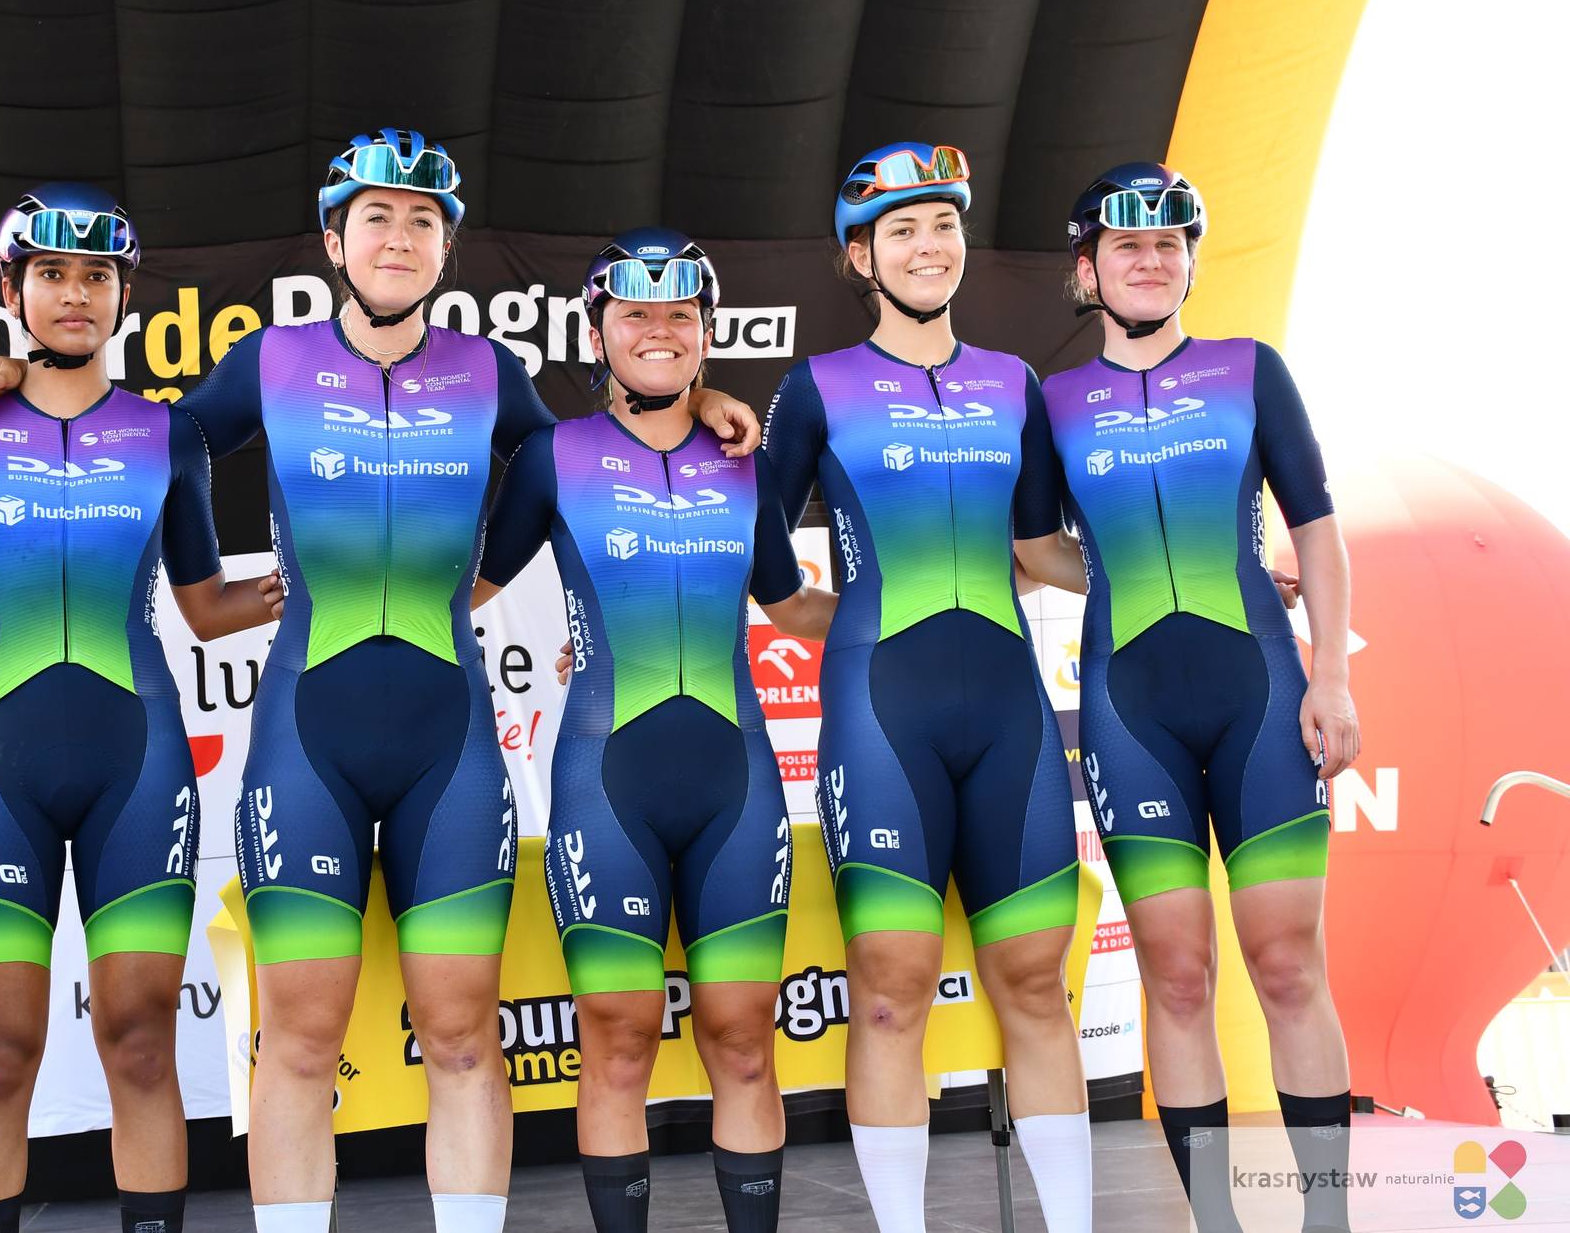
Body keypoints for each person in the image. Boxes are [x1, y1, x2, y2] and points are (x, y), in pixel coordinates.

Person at [0, 129, 764, 1233]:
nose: (398, 237)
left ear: (446, 249)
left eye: (422, 220)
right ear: (334, 241)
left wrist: (702, 400)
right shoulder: (270, 361)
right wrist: (17, 377)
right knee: (298, 1042)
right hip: (306, 744)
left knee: (464, 1039)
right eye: (375, 216)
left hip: (450, 748)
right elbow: (138, 434)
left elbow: (601, 451)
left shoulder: (489, 372)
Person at [0, 183, 281, 1233]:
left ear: (124, 296)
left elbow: (205, 606)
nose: (75, 293)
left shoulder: (166, 434)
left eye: (97, 275)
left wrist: (309, 582)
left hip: (134, 763)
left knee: (140, 1042)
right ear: (12, 291)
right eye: (51, 273)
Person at [474, 227, 835, 1232]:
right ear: (599, 332)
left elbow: (790, 605)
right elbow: (468, 591)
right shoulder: (551, 458)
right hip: (605, 782)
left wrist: (915, 608)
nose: (659, 330)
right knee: (617, 1038)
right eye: (635, 313)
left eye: (681, 313)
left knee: (744, 1041)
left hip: (737, 783)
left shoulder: (746, 460)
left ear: (707, 333)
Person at [762, 144, 1091, 1233]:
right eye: (899, 229)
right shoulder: (815, 388)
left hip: (1010, 715)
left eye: (941, 223)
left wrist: (1195, 572)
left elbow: (1039, 550)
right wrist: (847, 620)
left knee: (1035, 985)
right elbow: (758, 564)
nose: (926, 245)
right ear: (861, 257)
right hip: (881, 716)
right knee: (891, 990)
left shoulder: (1015, 383)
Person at [1043, 164, 1359, 1233]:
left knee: (1286, 964)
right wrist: (1119, 569)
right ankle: (1213, 1222)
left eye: (1168, 244)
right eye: (1126, 246)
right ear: (1087, 268)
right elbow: (1033, 544)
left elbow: (1315, 524)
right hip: (1130, 713)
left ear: (1188, 262)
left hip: (1261, 694)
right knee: (1176, 978)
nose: (1150, 261)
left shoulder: (1248, 369)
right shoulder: (1053, 403)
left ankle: (1327, 1221)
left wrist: (1331, 674)